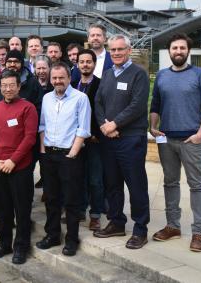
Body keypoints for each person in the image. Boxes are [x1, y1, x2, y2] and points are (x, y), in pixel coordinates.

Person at [150, 33, 201, 253]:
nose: (178, 51)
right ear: (169, 51)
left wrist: (200, 133)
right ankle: (173, 226)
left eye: (182, 48)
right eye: (174, 48)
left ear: (188, 50)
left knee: (196, 185)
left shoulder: (200, 75)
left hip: (191, 140)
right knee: (170, 183)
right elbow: (156, 103)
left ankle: (198, 232)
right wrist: (152, 125)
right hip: (166, 139)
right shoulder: (161, 76)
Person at [93, 35, 150, 250]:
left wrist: (115, 124)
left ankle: (140, 229)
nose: (116, 53)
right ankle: (116, 222)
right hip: (109, 139)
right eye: (113, 50)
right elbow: (98, 102)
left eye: (120, 49)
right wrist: (104, 125)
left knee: (136, 185)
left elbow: (137, 105)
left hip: (131, 139)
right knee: (112, 184)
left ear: (129, 50)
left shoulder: (139, 74)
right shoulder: (107, 75)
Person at [35, 62, 91, 257]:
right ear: (50, 80)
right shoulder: (47, 98)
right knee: (51, 198)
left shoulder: (80, 98)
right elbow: (42, 125)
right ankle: (53, 235)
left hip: (70, 155)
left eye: (61, 78)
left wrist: (72, 153)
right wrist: (42, 150)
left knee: (71, 200)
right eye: (54, 78)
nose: (58, 81)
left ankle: (72, 239)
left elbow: (83, 129)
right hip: (49, 154)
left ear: (69, 78)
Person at [0, 70, 38, 265]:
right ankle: (4, 244)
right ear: (0, 88)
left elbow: (30, 137)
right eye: (4, 86)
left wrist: (13, 161)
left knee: (22, 210)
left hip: (20, 168)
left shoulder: (28, 108)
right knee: (2, 209)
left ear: (19, 86)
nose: (8, 89)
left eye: (11, 85)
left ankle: (21, 247)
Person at [74, 49, 104, 231]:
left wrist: (95, 133)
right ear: (77, 64)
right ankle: (80, 210)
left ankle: (95, 215)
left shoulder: (101, 85)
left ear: (94, 64)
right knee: (78, 177)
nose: (85, 64)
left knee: (95, 179)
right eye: (82, 61)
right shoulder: (72, 85)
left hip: (94, 141)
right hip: (75, 140)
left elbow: (103, 113)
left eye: (88, 62)